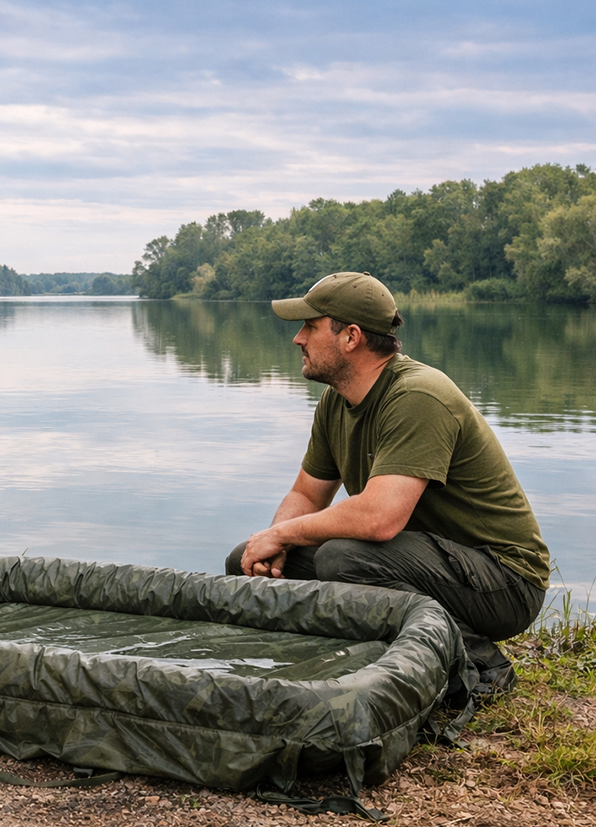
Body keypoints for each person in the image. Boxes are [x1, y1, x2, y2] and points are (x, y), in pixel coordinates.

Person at [225, 271, 550, 697]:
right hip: (419, 562)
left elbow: (380, 518)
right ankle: (335, 657)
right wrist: (275, 548)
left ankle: (479, 664)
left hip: (503, 581)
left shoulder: (418, 396)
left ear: (351, 337)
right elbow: (306, 493)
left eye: (310, 326)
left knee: (345, 558)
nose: (297, 339)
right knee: (243, 562)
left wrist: (282, 533)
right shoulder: (336, 402)